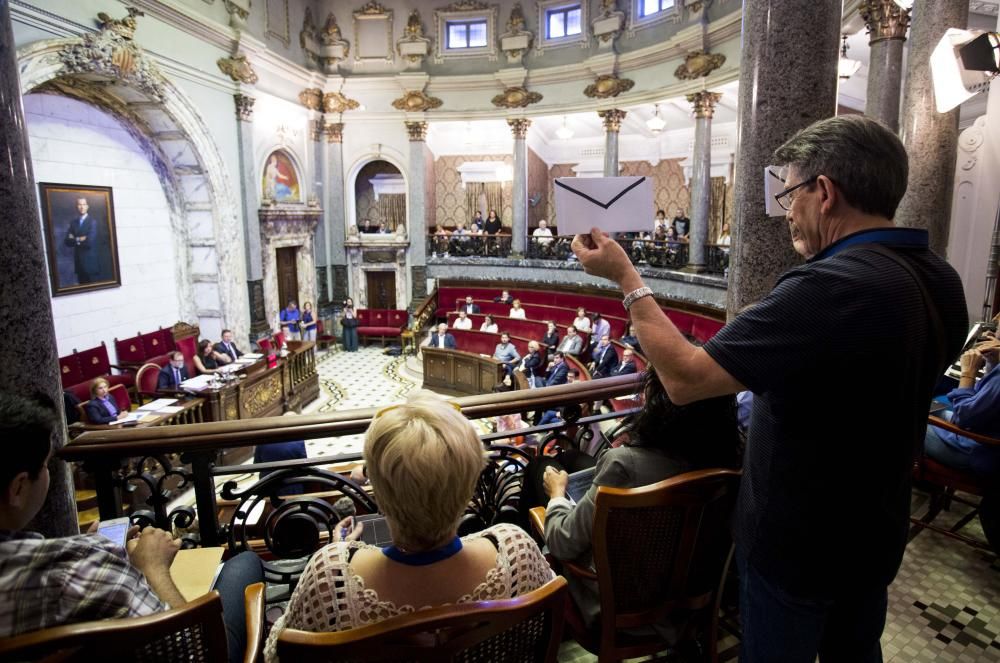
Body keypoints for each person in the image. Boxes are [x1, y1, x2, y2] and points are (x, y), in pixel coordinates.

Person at [570, 115, 969, 662]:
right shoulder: (941, 278)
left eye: (790, 196)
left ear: (824, 192)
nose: (788, 214)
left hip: (799, 545)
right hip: (876, 531)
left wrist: (626, 279)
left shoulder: (829, 287)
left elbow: (686, 380)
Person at [263, 393, 553, 661]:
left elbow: (277, 655)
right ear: (470, 488)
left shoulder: (330, 574)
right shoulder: (517, 550)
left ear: (377, 490)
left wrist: (341, 550)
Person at [0, 393, 264, 663]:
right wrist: (153, 567)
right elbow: (194, 652)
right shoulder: (73, 567)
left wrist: (88, 548)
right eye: (46, 466)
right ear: (19, 488)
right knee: (244, 562)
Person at [538, 370, 741, 627]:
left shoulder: (623, 464)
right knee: (573, 461)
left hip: (620, 606)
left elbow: (562, 543)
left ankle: (541, 614)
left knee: (542, 471)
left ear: (660, 400)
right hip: (693, 599)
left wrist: (556, 494)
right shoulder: (731, 459)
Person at [924, 338, 1000, 478]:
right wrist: (993, 362)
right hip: (982, 432)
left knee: (902, 418)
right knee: (928, 405)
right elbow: (985, 400)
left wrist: (968, 373)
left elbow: (963, 417)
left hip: (979, 452)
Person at [63, 196, 102, 285]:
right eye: (79, 204)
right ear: (76, 206)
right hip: (79, 265)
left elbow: (89, 243)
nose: (82, 207)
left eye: (84, 204)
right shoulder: (73, 223)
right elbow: (67, 241)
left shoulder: (93, 222)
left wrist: (74, 239)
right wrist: (80, 238)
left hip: (91, 265)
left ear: (87, 206)